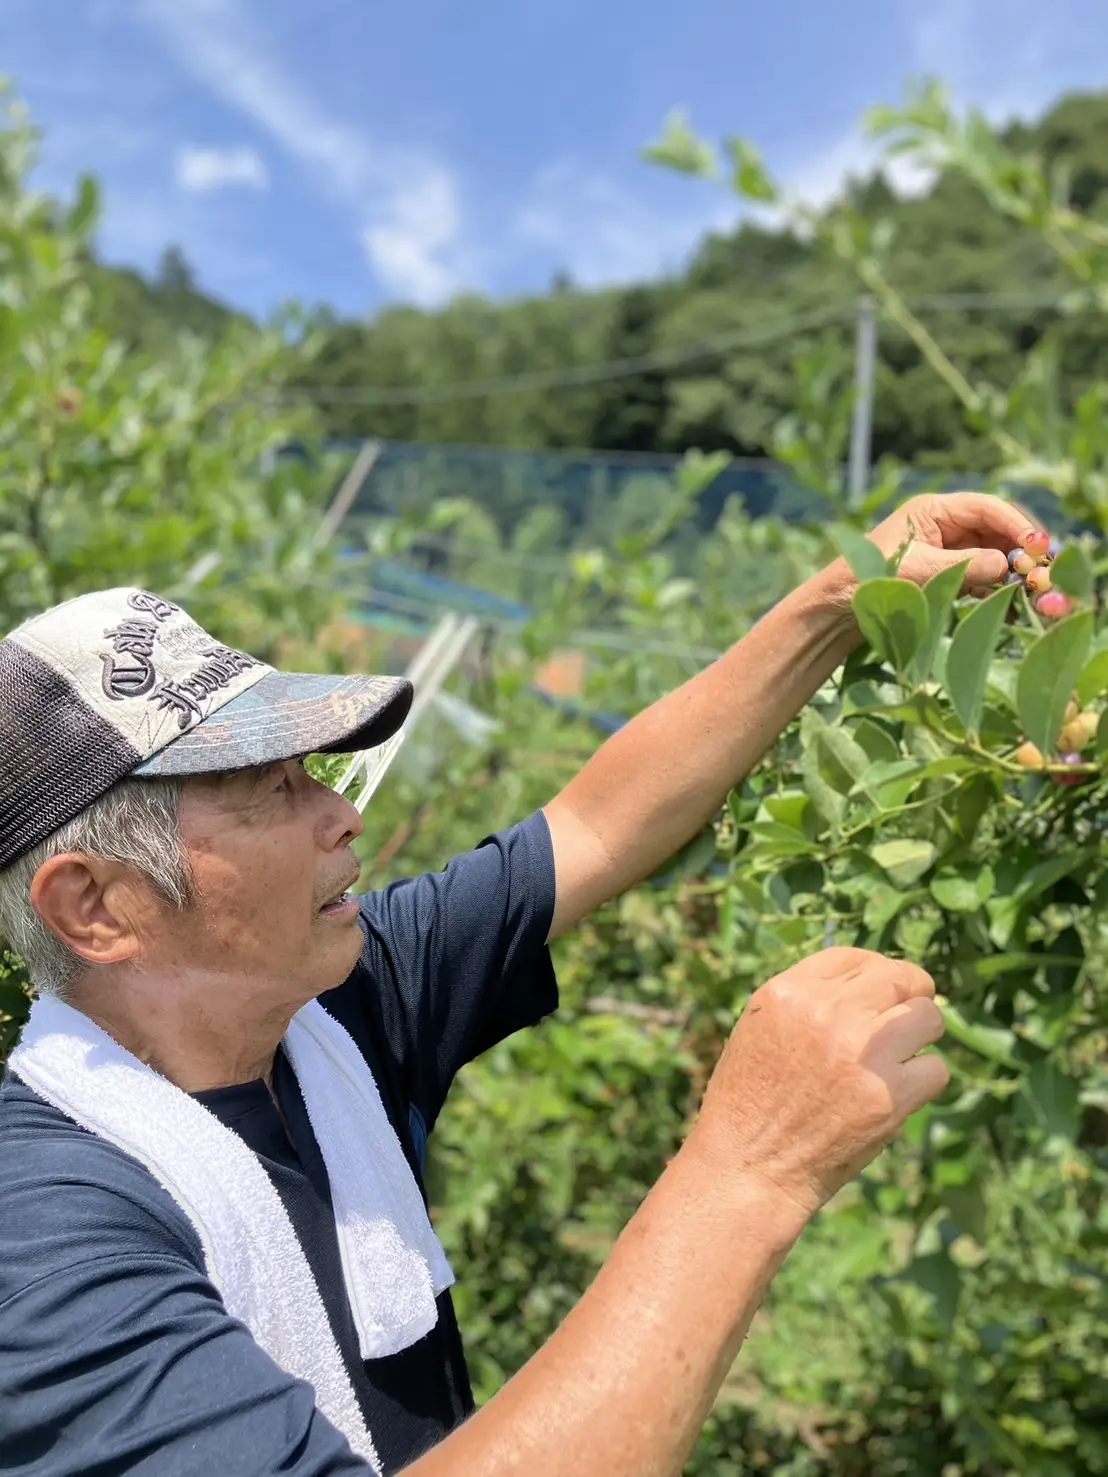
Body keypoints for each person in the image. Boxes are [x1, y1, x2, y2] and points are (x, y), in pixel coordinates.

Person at [0, 491, 1036, 1477]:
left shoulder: (331, 1011)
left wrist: (838, 600)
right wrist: (752, 1167)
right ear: (95, 906)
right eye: (273, 789)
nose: (342, 816)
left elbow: (593, 824)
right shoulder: (46, 1243)